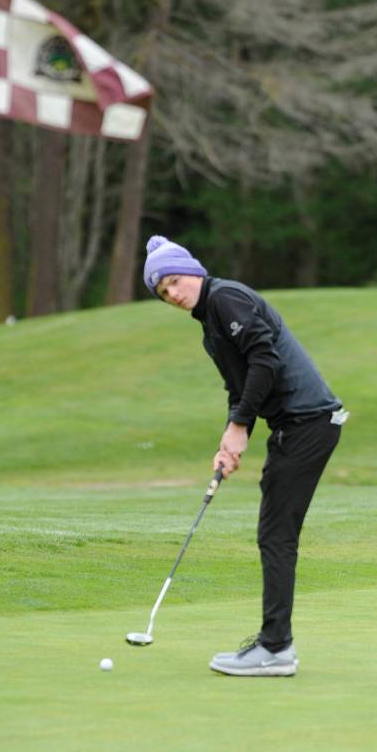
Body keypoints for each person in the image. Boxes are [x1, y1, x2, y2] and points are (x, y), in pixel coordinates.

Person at [143, 234, 348, 677]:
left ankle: (276, 648)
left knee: (275, 536)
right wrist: (231, 437)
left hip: (307, 423)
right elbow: (242, 387)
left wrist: (240, 426)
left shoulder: (226, 298)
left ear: (194, 270)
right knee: (275, 534)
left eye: (175, 282)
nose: (173, 295)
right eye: (163, 293)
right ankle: (276, 644)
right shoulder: (211, 327)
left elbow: (265, 361)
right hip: (296, 427)